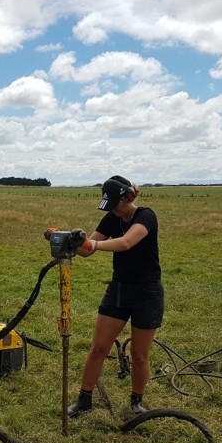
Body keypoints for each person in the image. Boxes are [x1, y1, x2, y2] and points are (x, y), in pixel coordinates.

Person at [68, 175, 164, 417]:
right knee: (99, 348)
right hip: (119, 290)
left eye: (115, 205)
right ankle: (84, 400)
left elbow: (125, 243)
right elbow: (86, 251)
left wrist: (93, 245)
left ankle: (136, 403)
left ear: (127, 198)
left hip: (147, 292)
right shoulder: (112, 217)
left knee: (140, 355)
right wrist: (73, 239)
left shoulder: (146, 216)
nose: (112, 210)